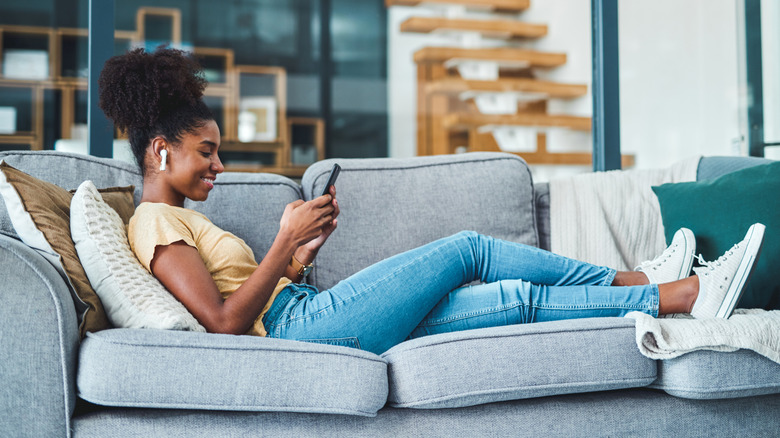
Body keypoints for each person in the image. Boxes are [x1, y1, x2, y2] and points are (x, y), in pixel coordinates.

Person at [99, 48, 765, 355]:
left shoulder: (179, 217)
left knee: (509, 301)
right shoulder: (155, 222)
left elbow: (252, 297)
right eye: (205, 151)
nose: (218, 164)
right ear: (161, 151)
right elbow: (222, 324)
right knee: (468, 251)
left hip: (305, 310)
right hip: (305, 330)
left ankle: (669, 292)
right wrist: (280, 243)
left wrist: (299, 258)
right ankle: (660, 289)